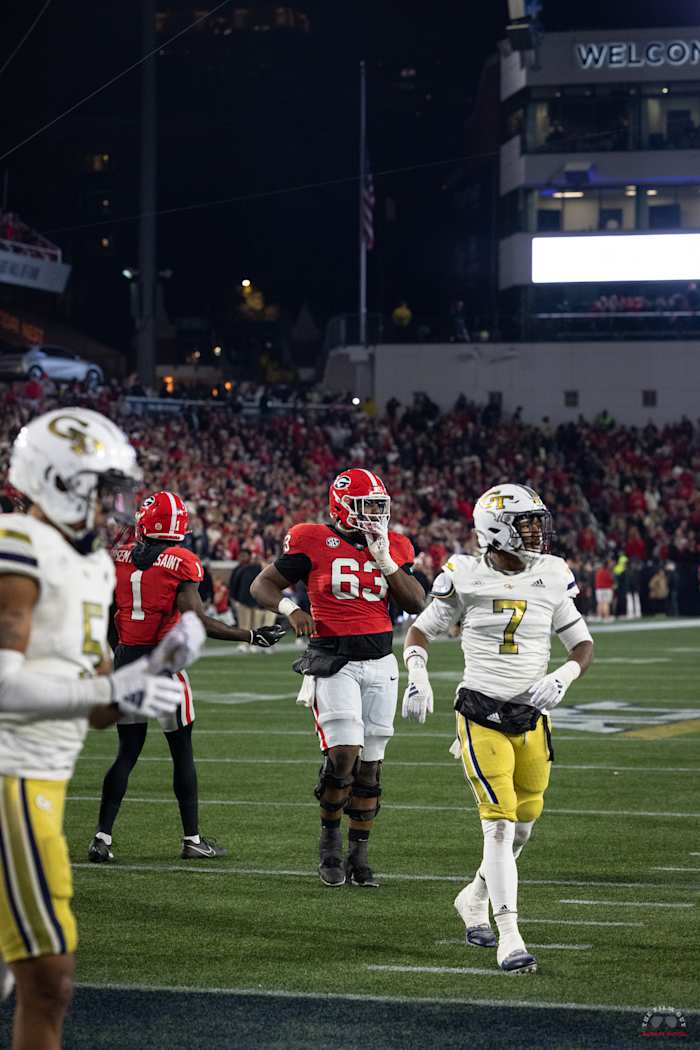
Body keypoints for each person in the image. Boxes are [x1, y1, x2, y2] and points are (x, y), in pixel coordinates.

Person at [0, 408, 195, 1050]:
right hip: (11, 779)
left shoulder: (90, 565)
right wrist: (114, 688)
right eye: (97, 486)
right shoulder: (19, 543)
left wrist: (156, 672)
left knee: (21, 978)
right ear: (56, 480)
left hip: (45, 781)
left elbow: (96, 699)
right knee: (50, 977)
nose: (110, 503)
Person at [402, 483, 593, 974]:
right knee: (500, 823)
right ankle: (510, 935)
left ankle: (473, 897)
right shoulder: (464, 573)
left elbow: (581, 643)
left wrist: (564, 675)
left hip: (532, 717)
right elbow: (421, 629)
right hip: (480, 712)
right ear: (496, 528)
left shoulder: (552, 572)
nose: (536, 531)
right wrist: (417, 676)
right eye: (527, 522)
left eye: (536, 521)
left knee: (525, 824)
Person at [88, 491, 285, 864]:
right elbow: (198, 621)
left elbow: (108, 612)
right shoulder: (182, 562)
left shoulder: (119, 557)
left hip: (127, 663)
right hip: (163, 666)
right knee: (181, 753)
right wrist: (250, 635)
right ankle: (192, 839)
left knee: (126, 753)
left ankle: (102, 838)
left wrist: (118, 653)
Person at [251, 468, 424, 887]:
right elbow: (263, 585)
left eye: (380, 506)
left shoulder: (394, 544)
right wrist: (292, 611)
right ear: (342, 505)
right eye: (368, 506)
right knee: (343, 754)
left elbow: (416, 600)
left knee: (371, 768)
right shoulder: (311, 537)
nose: (376, 514)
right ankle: (329, 843)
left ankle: (359, 855)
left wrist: (385, 560)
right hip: (333, 660)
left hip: (381, 661)